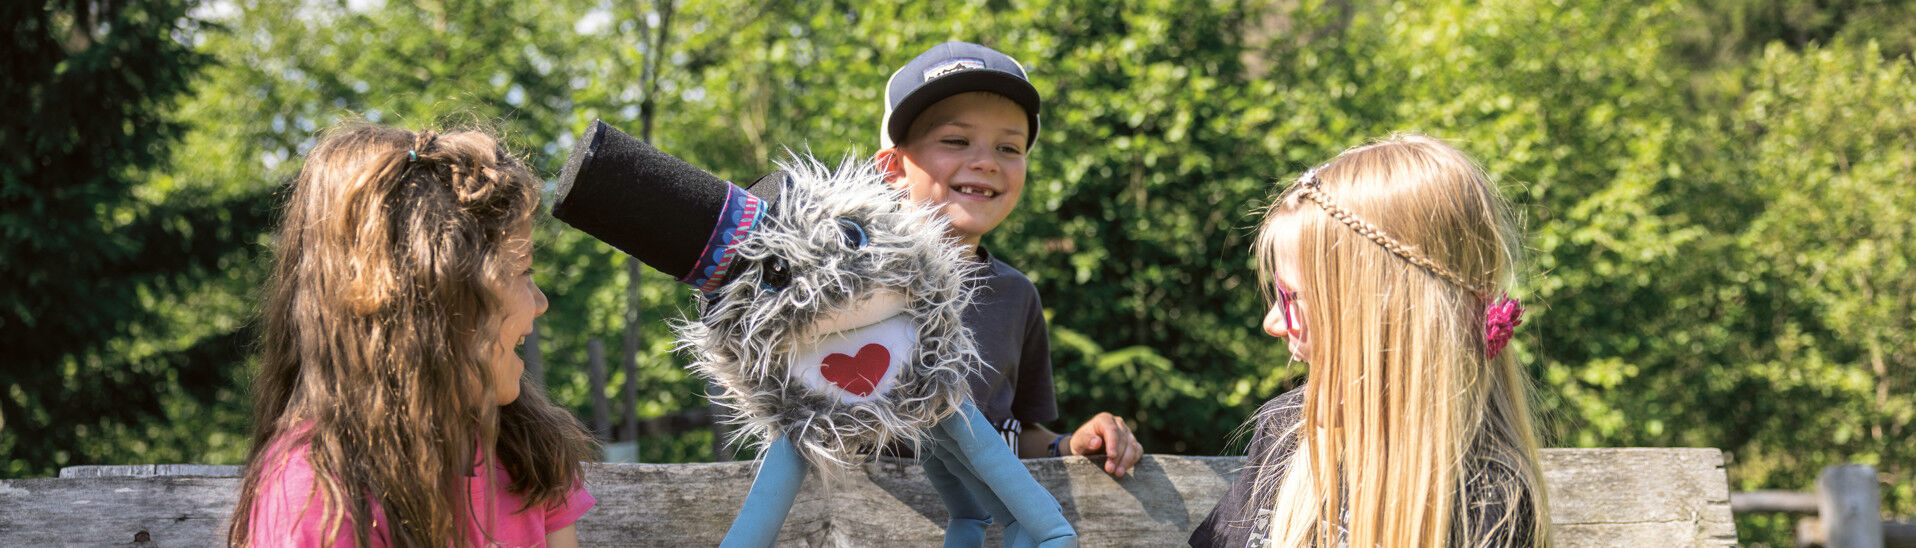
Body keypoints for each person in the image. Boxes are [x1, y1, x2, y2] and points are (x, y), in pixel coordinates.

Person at [227, 124, 597, 547]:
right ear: (442, 302)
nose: (541, 301)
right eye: (522, 271)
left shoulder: (528, 454)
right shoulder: (318, 496)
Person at [1189, 134, 1551, 547]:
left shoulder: (1485, 498)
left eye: (1292, 297)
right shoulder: (1287, 429)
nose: (1273, 322)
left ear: (1381, 313)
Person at [872, 40, 1145, 477]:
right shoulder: (848, 283)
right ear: (896, 169)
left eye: (1009, 148)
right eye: (957, 140)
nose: (985, 162)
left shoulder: (1017, 296)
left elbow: (1010, 435)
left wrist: (1068, 445)